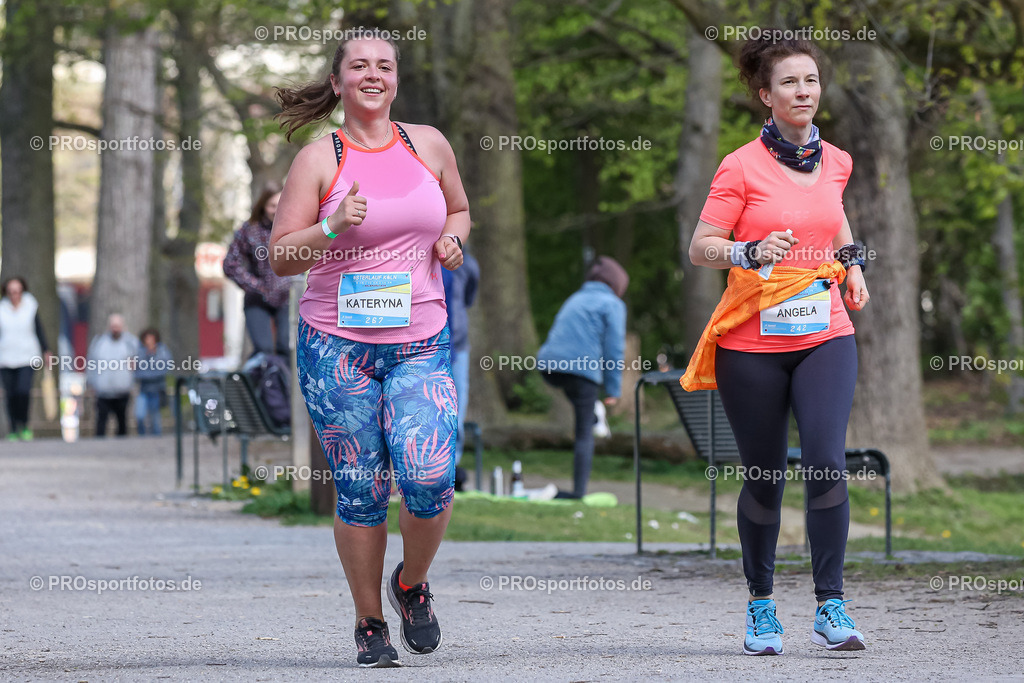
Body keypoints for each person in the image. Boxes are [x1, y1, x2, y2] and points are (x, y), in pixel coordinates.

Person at [269, 32, 470, 668]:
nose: (373, 75)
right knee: (359, 487)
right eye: (359, 66)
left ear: (396, 78)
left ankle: (410, 585)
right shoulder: (318, 157)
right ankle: (369, 622)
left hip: (420, 339)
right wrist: (333, 224)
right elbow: (278, 258)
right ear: (339, 83)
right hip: (337, 347)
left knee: (430, 473)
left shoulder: (428, 144)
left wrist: (452, 242)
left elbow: (459, 211)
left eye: (385, 65)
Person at [684, 36, 870, 656]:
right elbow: (701, 245)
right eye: (790, 83)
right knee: (764, 477)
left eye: (811, 81)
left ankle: (831, 605)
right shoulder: (739, 167)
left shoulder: (837, 160)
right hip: (752, 342)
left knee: (826, 460)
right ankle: (761, 607)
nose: (804, 92)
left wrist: (854, 265)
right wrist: (746, 251)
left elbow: (834, 215)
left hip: (825, 331)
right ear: (766, 95)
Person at [536, 256, 628, 499]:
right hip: (580, 370)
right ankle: (578, 492)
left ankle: (595, 412)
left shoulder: (576, 298)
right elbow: (614, 348)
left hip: (549, 367)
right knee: (584, 432)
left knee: (582, 405)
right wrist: (613, 390)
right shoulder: (612, 304)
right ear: (617, 285)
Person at [223, 181, 292, 358]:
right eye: (272, 205)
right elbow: (230, 264)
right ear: (263, 206)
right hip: (257, 298)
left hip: (287, 298)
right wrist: (258, 286)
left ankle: (282, 385)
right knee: (264, 349)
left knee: (287, 347)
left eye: (280, 204)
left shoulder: (293, 227)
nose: (277, 209)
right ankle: (260, 383)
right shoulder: (248, 230)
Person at [441, 247, 479, 488]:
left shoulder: (469, 265)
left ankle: (452, 469)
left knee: (457, 407)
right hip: (427, 343)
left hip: (459, 346)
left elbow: (469, 299)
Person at [0, 277, 51, 440]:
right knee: (10, 394)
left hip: (27, 357)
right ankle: (13, 427)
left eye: (17, 291)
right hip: (5, 357)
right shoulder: (1, 309)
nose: (14, 295)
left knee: (23, 391)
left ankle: (25, 423)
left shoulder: (31, 306)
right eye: (11, 292)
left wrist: (46, 349)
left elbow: (39, 329)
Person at [87, 314, 138, 438]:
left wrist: (134, 382)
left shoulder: (130, 343)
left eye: (118, 326)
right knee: (101, 422)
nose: (115, 329)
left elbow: (137, 364)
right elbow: (91, 363)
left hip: (123, 391)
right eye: (113, 326)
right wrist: (90, 383)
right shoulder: (99, 342)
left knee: (122, 422)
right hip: (103, 391)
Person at [134, 328, 172, 436]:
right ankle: (141, 438)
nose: (149, 341)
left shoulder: (162, 351)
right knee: (140, 416)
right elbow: (136, 372)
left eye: (151, 339)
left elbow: (164, 369)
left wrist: (147, 373)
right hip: (143, 390)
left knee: (155, 419)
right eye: (147, 339)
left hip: (157, 390)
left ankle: (155, 442)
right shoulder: (140, 352)